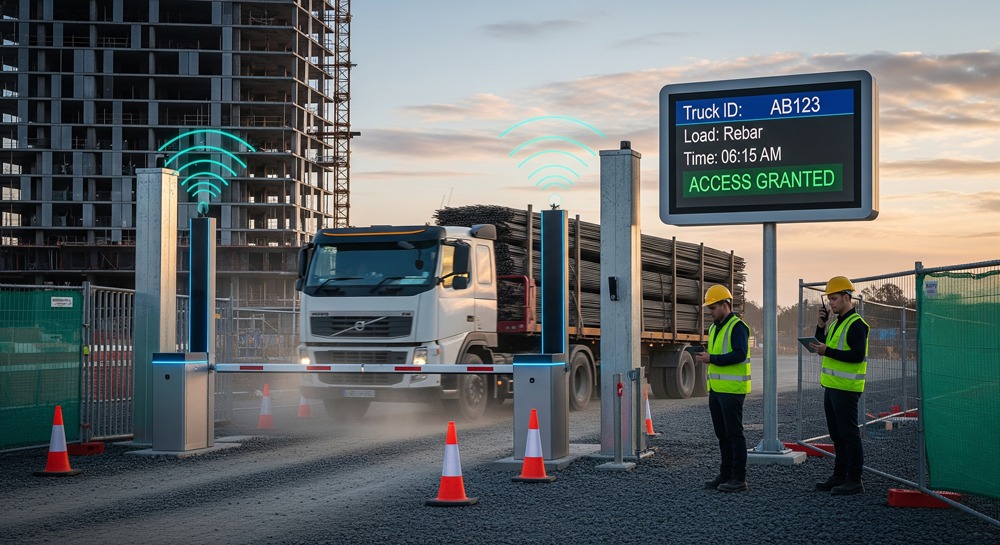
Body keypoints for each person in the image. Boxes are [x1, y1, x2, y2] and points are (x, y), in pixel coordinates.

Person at [809, 276, 871, 496]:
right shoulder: (836, 324)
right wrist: (820, 326)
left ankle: (854, 480)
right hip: (832, 387)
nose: (831, 303)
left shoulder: (857, 325)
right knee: (837, 434)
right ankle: (839, 475)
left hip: (847, 389)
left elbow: (856, 356)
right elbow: (821, 346)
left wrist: (828, 351)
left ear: (847, 297)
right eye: (829, 299)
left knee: (849, 433)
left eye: (834, 298)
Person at [695, 284, 751, 493]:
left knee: (734, 434)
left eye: (713, 308)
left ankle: (739, 478)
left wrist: (713, 359)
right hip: (717, 390)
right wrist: (708, 356)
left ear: (725, 305)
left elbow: (740, 354)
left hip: (732, 391)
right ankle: (726, 474)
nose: (710, 312)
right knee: (722, 434)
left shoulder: (738, 327)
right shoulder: (715, 327)